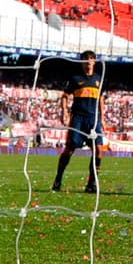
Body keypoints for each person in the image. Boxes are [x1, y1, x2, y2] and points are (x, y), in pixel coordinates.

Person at [51, 50, 106, 193]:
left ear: (94, 61)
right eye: (86, 58)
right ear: (82, 61)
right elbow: (64, 96)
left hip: (93, 119)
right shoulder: (75, 78)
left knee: (99, 150)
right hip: (78, 119)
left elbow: (101, 99)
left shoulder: (99, 79)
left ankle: (92, 184)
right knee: (70, 149)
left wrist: (102, 118)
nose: (89, 61)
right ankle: (58, 179)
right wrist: (64, 111)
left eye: (92, 58)